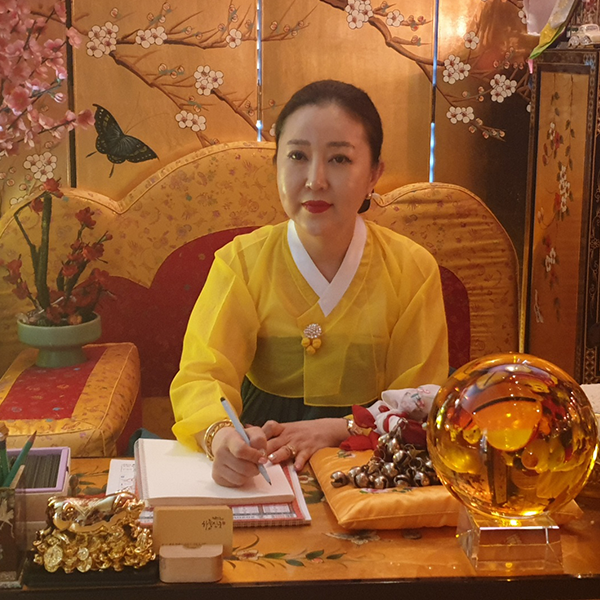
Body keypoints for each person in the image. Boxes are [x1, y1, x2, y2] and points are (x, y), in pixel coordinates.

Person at [170, 80, 449, 488]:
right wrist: (223, 437)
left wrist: (340, 428)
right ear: (277, 165)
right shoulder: (241, 262)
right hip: (264, 452)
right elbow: (202, 375)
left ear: (374, 173)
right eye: (298, 156)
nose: (315, 180)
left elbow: (421, 398)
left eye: (339, 159)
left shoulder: (412, 268)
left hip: (376, 456)